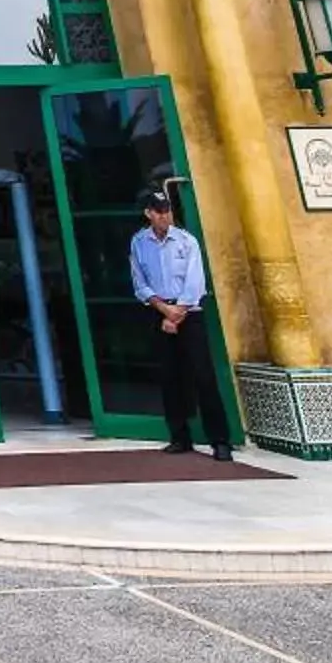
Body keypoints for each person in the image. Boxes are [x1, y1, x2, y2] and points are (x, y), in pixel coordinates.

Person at [129, 188, 232, 462]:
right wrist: (163, 310)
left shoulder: (186, 241)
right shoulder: (139, 243)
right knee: (169, 376)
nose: (165, 217)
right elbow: (140, 283)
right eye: (159, 212)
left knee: (203, 376)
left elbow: (195, 282)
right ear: (148, 214)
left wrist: (178, 313)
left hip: (189, 312)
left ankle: (220, 440)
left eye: (168, 211)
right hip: (159, 312)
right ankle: (179, 436)